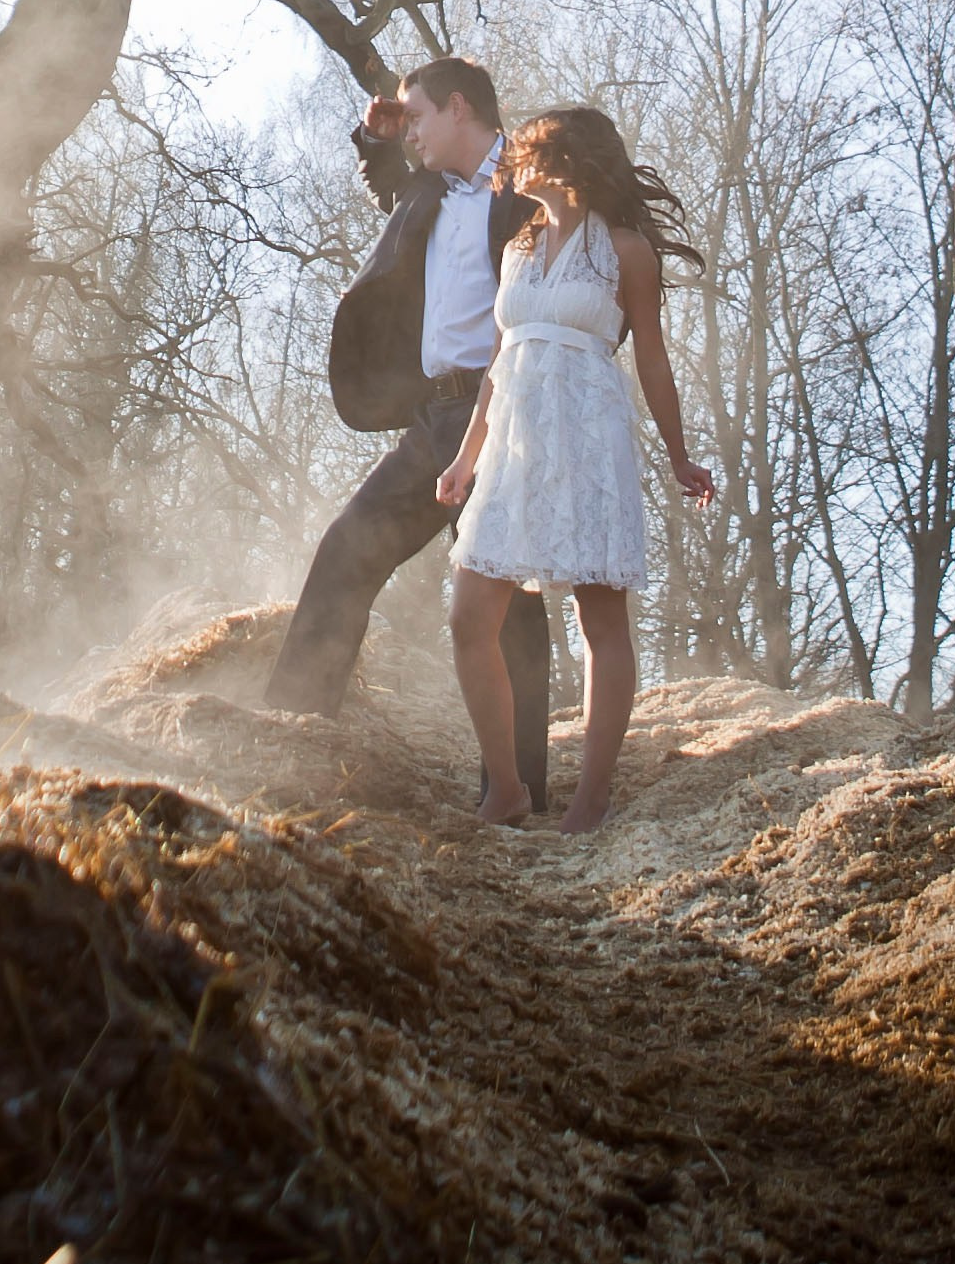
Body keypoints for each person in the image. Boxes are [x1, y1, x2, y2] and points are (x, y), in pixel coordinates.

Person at [264, 58, 558, 815]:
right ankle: (288, 733)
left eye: (420, 116)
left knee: (506, 602)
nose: (413, 131)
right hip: (433, 421)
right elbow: (387, 179)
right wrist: (377, 136)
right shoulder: (424, 188)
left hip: (505, 413)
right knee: (346, 549)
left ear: (460, 109)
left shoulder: (530, 188)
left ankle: (518, 789)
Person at [434, 105, 715, 836]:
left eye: (525, 153)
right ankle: (507, 788)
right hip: (514, 446)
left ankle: (591, 798)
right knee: (469, 616)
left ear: (565, 162)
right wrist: (465, 459)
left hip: (589, 437)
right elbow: (499, 361)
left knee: (600, 614)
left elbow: (650, 356)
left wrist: (681, 456)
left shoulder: (628, 251)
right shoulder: (516, 251)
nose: (511, 165)